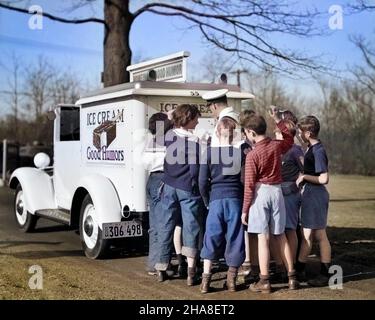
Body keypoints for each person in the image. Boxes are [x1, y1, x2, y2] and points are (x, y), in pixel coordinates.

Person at [241, 109, 299, 293]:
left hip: (261, 193)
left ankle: (264, 281)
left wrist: (244, 210)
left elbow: (249, 185)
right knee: (280, 235)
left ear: (250, 132)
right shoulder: (275, 146)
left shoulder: (251, 155)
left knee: (263, 238)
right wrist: (278, 120)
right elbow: (289, 139)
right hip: (277, 193)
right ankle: (292, 277)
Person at [155, 104, 204, 286]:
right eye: (196, 119)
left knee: (166, 225)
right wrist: (196, 186)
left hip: (168, 185)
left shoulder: (169, 136)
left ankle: (161, 267)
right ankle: (191, 272)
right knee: (191, 227)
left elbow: (158, 135)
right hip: (187, 188)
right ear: (189, 118)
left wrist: (169, 118)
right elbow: (194, 169)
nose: (198, 121)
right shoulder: (194, 142)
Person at [199, 117, 246, 293]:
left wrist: (207, 201)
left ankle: (205, 282)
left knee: (211, 237)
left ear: (217, 132)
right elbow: (243, 180)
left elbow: (202, 182)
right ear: (234, 134)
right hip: (235, 200)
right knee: (235, 237)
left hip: (215, 200)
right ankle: (231, 280)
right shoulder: (240, 153)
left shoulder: (209, 153)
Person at [295, 116, 331, 287]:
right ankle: (301, 269)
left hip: (316, 195)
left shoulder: (318, 151)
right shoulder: (311, 147)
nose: (299, 135)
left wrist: (304, 177)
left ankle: (320, 273)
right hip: (311, 194)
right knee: (314, 234)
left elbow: (324, 178)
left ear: (308, 133)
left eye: (301, 132)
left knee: (315, 235)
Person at [142, 113, 173, 276]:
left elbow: (144, 162)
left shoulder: (151, 141)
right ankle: (161, 263)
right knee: (164, 224)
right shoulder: (166, 141)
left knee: (154, 225)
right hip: (163, 179)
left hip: (151, 179)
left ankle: (152, 263)